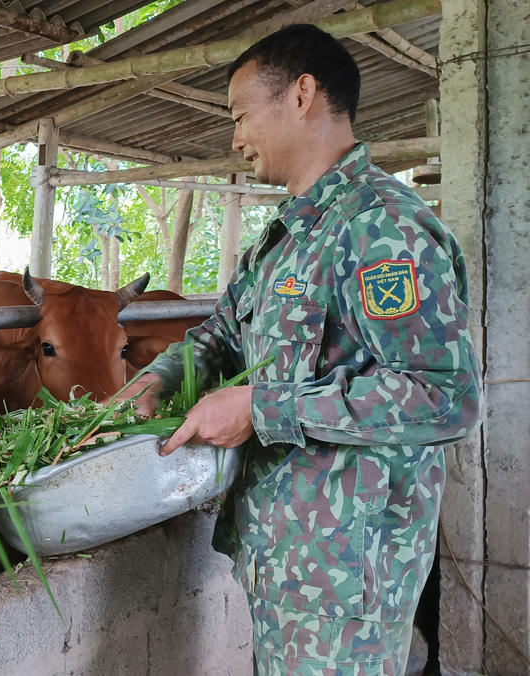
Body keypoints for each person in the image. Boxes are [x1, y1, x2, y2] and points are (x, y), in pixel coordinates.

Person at [119, 24, 481, 675]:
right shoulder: (282, 239)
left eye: (239, 115)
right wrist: (157, 379)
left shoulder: (383, 227)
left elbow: (444, 396)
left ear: (302, 95)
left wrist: (262, 409)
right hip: (284, 565)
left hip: (349, 584)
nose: (234, 138)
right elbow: (220, 337)